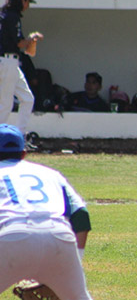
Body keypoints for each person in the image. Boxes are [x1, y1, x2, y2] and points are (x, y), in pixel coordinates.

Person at [0, 123, 93, 299]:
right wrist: (74, 262)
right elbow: (81, 216)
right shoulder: (51, 174)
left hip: (13, 235)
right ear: (23, 153)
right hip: (60, 237)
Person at [0, 0, 43, 134]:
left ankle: (19, 136)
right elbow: (19, 43)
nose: (28, 6)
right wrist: (32, 38)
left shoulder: (5, 14)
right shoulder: (13, 17)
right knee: (5, 104)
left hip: (10, 62)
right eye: (27, 2)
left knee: (27, 99)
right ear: (22, 0)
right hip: (7, 61)